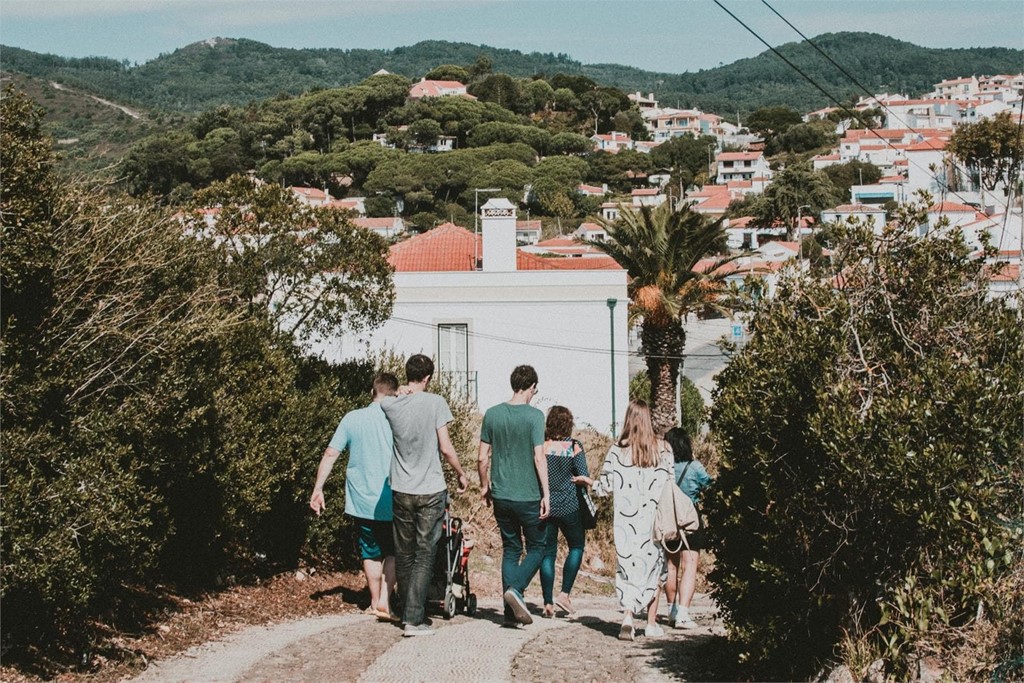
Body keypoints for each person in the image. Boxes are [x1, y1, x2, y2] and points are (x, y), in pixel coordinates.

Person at [380, 355, 470, 637]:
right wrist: (460, 473)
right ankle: (414, 619)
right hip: (430, 488)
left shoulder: (390, 405)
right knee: (424, 553)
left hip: (400, 488)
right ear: (429, 377)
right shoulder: (436, 403)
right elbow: (445, 447)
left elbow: (384, 398)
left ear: (407, 375)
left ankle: (407, 610)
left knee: (404, 553)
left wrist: (400, 391)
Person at [575, 399, 672, 640]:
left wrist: (589, 483)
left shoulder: (617, 451)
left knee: (628, 569)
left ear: (628, 419)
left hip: (625, 522)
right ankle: (650, 624)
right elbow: (670, 485)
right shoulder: (663, 451)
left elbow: (605, 487)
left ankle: (628, 615)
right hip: (653, 521)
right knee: (653, 569)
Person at [310, 373, 400, 621]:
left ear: (373, 391)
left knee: (370, 550)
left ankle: (374, 601)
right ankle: (385, 601)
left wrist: (318, 488)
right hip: (392, 498)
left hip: (361, 500)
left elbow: (330, 454)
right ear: (394, 393)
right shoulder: (398, 419)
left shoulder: (352, 418)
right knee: (393, 551)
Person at [477, 364, 549, 627]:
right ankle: (516, 589)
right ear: (531, 387)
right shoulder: (535, 416)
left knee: (511, 549)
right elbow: (539, 457)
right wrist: (547, 494)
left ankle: (510, 615)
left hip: (501, 494)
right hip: (528, 494)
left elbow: (482, 458)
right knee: (538, 548)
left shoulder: (492, 414)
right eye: (535, 390)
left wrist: (485, 486)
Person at [538, 406, 589, 619]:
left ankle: (548, 602)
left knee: (548, 553)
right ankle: (565, 594)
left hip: (546, 505)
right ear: (569, 423)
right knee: (576, 546)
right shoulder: (574, 446)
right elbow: (583, 475)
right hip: (569, 505)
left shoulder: (542, 445)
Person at [663, 427, 713, 630]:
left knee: (671, 566)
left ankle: (671, 611)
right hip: (690, 519)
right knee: (689, 565)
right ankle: (684, 613)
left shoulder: (663, 467)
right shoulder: (695, 467)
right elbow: (711, 487)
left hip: (668, 518)